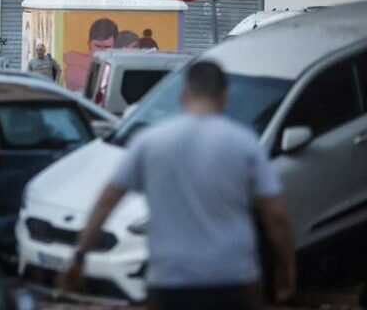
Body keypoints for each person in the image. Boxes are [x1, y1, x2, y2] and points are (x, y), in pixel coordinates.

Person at [58, 61, 296, 310]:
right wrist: (286, 268)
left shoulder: (150, 142)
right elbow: (276, 214)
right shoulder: (245, 144)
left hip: (170, 279)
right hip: (234, 277)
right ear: (225, 97)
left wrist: (79, 257)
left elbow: (107, 201)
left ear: (183, 93)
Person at [64, 18, 118, 90]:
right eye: (97, 46)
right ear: (89, 44)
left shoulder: (76, 60)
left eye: (107, 47)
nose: (102, 51)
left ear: (115, 47)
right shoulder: (74, 69)